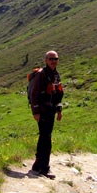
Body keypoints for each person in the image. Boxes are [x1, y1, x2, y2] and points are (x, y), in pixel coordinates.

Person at [30, 50, 63, 179]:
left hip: (51, 110)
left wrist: (59, 109)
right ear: (46, 60)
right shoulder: (42, 75)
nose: (54, 61)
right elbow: (34, 94)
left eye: (56, 59)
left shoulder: (55, 74)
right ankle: (45, 168)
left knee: (43, 137)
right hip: (43, 111)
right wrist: (36, 112)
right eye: (51, 59)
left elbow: (58, 94)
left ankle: (37, 165)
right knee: (46, 138)